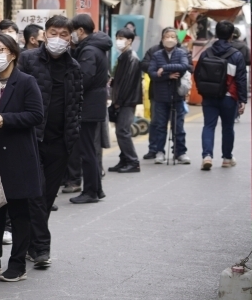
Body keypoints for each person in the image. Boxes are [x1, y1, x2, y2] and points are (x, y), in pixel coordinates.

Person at [0, 31, 45, 282]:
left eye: (0, 50)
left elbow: (36, 115)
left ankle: (17, 264)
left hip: (18, 156)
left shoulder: (26, 82)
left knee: (18, 212)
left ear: (12, 54)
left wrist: (8, 120)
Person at [17, 15, 83, 270]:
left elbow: (77, 103)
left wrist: (73, 136)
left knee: (46, 196)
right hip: (31, 138)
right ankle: (41, 247)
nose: (58, 39)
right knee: (34, 193)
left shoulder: (74, 67)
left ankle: (31, 246)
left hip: (60, 142)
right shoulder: (28, 59)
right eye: (53, 33)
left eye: (64, 34)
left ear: (71, 37)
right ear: (44, 34)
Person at [68, 14, 111, 204]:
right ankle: (96, 189)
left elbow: (84, 78)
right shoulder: (93, 47)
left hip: (88, 105)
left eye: (71, 32)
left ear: (80, 30)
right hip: (93, 104)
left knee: (86, 151)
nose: (70, 36)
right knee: (89, 149)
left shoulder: (89, 51)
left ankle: (91, 191)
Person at [196, 20, 247, 170]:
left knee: (208, 126)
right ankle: (226, 158)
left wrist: (203, 91)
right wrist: (242, 99)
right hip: (229, 97)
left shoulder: (206, 53)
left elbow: (197, 74)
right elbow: (241, 79)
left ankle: (207, 156)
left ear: (216, 34)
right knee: (228, 127)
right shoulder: (236, 55)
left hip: (209, 96)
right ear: (232, 35)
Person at [143, 28, 191, 164]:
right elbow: (152, 72)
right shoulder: (156, 54)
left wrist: (163, 69)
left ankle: (180, 152)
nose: (169, 39)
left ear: (176, 40)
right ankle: (159, 152)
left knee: (179, 126)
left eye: (172, 36)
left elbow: (184, 66)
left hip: (177, 96)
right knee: (160, 126)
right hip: (160, 96)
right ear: (162, 39)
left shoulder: (181, 53)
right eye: (167, 36)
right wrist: (168, 76)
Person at [109, 28, 142, 173]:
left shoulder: (131, 58)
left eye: (122, 38)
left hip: (127, 101)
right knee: (120, 130)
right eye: (118, 37)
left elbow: (128, 83)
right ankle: (124, 160)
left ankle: (133, 161)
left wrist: (119, 101)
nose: (119, 41)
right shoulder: (123, 56)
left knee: (123, 131)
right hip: (122, 99)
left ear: (130, 41)